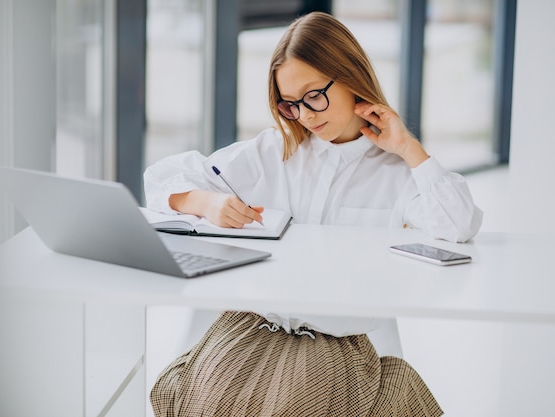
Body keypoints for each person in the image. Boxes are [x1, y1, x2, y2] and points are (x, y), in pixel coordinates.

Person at [145, 11, 482, 417]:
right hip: (254, 332)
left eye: (313, 97)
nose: (304, 115)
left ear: (350, 76)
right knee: (183, 394)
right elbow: (161, 178)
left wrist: (410, 148)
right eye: (289, 104)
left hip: (337, 347)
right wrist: (205, 203)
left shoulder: (396, 171)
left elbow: (459, 224)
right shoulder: (273, 152)